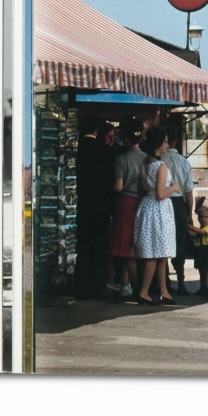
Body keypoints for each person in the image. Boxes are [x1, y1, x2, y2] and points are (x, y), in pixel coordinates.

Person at [133, 127, 179, 306]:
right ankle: (144, 292)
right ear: (158, 144)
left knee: (160, 253)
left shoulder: (145, 163)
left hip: (147, 206)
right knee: (156, 253)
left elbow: (142, 189)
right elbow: (161, 194)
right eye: (165, 142)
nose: (167, 145)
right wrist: (174, 188)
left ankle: (164, 292)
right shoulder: (161, 166)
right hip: (159, 209)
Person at [75, 114, 115, 299]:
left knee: (82, 245)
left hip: (81, 203)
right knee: (99, 246)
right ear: (97, 130)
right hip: (101, 204)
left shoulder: (77, 149)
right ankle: (98, 286)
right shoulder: (106, 151)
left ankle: (80, 285)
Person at [108, 117, 146, 298]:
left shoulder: (121, 159)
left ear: (126, 138)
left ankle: (135, 287)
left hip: (125, 203)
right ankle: (128, 284)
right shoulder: (147, 159)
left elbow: (118, 186)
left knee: (124, 247)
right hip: (143, 202)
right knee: (136, 246)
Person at [162, 127, 199, 295]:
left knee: (161, 243)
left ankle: (164, 282)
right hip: (178, 203)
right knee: (179, 243)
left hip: (161, 201)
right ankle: (181, 282)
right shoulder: (183, 162)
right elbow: (188, 192)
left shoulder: (158, 159)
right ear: (176, 141)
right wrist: (189, 214)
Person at [191, 204, 208, 297]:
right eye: (201, 217)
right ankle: (202, 287)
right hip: (199, 251)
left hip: (206, 251)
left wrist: (189, 226)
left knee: (205, 271)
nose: (203, 219)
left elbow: (201, 232)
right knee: (201, 271)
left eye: (206, 217)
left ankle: (207, 288)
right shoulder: (201, 227)